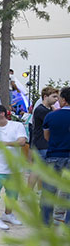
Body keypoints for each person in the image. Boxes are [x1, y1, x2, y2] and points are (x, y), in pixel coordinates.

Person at [40, 86, 70, 225]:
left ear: (63, 100)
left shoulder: (51, 116)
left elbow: (47, 137)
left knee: (49, 191)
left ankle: (46, 222)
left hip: (54, 155)